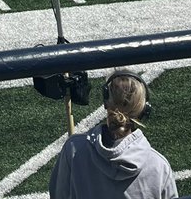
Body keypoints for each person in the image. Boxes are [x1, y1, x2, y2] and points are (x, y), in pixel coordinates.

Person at [49, 71, 177, 199]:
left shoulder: (73, 148)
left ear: (105, 102)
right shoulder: (159, 167)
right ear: (143, 110)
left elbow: (58, 195)